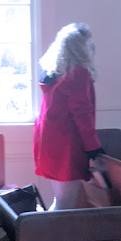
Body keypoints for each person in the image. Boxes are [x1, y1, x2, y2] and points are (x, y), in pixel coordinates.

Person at [32, 23, 104, 211]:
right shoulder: (77, 72)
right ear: (80, 48)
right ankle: (37, 229)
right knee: (65, 204)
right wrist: (93, 147)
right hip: (66, 144)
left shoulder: (55, 72)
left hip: (50, 141)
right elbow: (82, 113)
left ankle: (38, 228)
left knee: (61, 200)